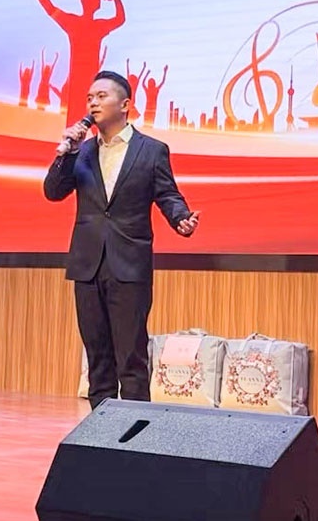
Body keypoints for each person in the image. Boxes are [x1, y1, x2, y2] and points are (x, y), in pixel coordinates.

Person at [43, 70, 200, 410]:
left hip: (129, 264)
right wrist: (66, 154)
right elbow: (53, 192)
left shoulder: (152, 150)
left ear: (125, 104)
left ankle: (135, 433)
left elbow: (167, 194)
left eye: (101, 96)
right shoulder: (82, 152)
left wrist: (180, 218)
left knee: (131, 358)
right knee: (97, 357)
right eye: (89, 98)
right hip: (88, 265)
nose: (93, 103)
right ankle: (102, 431)